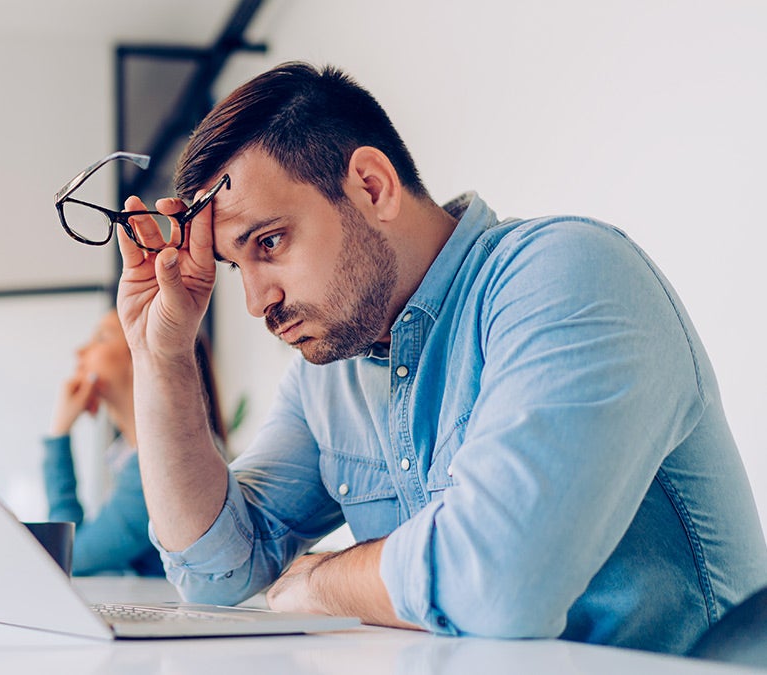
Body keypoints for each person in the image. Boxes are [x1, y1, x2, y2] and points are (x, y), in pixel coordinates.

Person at [107, 61, 767, 653]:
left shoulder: (566, 273)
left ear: (371, 186)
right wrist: (160, 354)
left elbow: (500, 583)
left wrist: (324, 579)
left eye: (270, 242)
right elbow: (215, 572)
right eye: (234, 264)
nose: (256, 300)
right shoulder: (329, 377)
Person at [42, 310, 226, 576]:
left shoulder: (166, 464)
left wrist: (59, 434)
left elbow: (69, 557)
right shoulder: (131, 457)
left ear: (141, 356)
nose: (80, 352)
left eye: (102, 337)